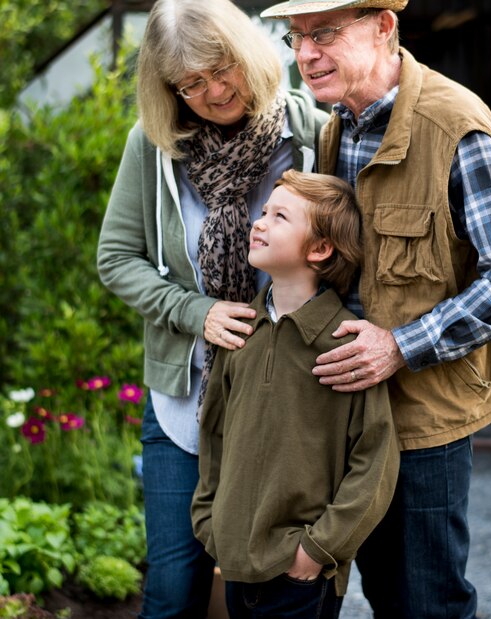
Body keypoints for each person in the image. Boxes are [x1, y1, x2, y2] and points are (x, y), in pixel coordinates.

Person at [260, 1, 491, 617]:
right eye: (297, 37)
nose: (305, 53)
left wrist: (400, 344)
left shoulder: (453, 123)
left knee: (423, 603)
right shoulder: (340, 124)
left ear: (385, 28)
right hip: (344, 412)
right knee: (349, 590)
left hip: (422, 420)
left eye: (326, 34)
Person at [96, 0, 328, 615]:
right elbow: (117, 257)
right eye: (189, 84)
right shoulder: (153, 146)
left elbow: (342, 256)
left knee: (277, 590)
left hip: (284, 404)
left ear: (247, 53)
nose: (212, 92)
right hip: (185, 399)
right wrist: (196, 312)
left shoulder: (308, 135)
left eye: (220, 69)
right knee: (173, 591)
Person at [191, 169, 400, 619]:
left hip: (302, 572)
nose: (259, 222)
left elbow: (375, 459)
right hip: (236, 560)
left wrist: (320, 548)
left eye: (279, 216)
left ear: (320, 249)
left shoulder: (347, 345)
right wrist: (211, 523)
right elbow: (213, 436)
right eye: (264, 212)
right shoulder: (241, 331)